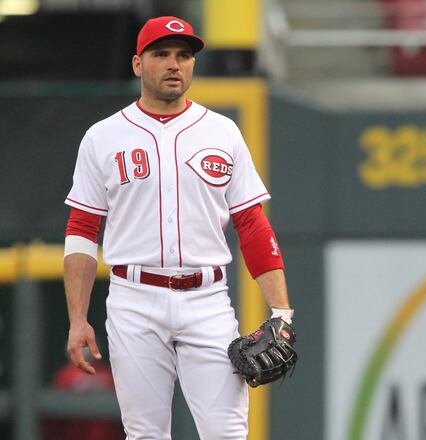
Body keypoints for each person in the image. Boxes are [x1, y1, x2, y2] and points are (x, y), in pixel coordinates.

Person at [62, 16, 295, 439]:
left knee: (227, 433)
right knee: (146, 434)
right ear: (137, 64)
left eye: (184, 55)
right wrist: (78, 318)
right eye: (162, 54)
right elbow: (82, 227)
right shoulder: (103, 136)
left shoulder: (222, 131)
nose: (174, 64)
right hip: (134, 299)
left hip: (207, 300)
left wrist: (281, 310)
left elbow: (252, 224)